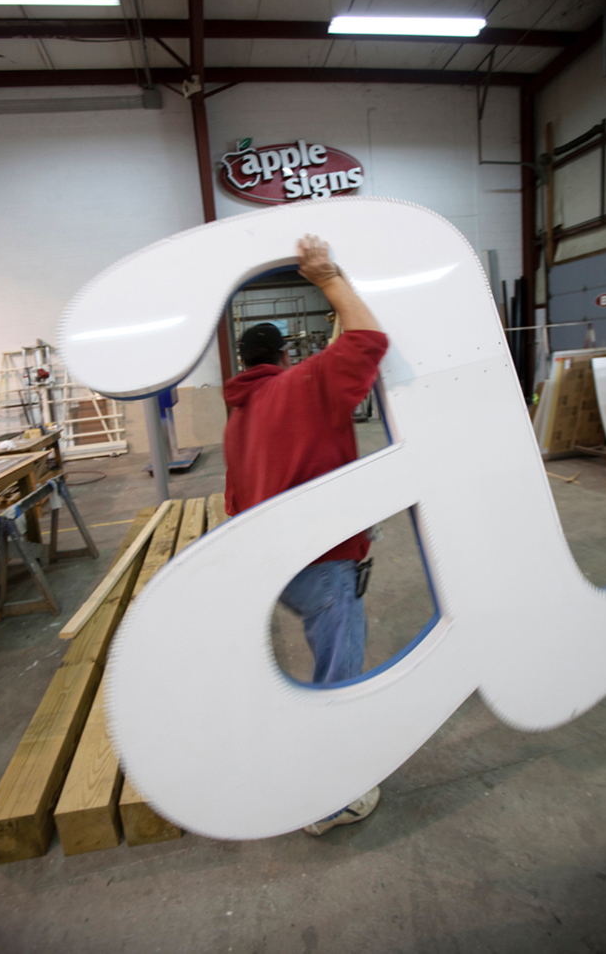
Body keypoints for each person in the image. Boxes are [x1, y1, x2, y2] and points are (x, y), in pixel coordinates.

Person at [223, 234, 389, 835]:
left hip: (275, 565)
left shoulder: (238, 415)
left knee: (320, 673)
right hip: (322, 564)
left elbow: (234, 497)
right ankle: (329, 799)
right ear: (285, 352)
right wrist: (326, 278)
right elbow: (368, 339)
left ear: (242, 360)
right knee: (336, 680)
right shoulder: (305, 385)